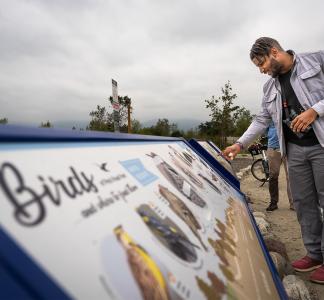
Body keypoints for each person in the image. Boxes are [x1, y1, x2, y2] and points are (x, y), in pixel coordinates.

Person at [223, 37, 324, 283]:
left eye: (262, 63)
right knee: (303, 203)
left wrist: (315, 110)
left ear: (274, 52)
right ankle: (314, 253)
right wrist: (239, 144)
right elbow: (261, 120)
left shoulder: (316, 59)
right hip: (295, 150)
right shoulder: (270, 88)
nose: (261, 70)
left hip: (321, 145)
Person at [265, 121, 294, 211]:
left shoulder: (288, 110)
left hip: (289, 147)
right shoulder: (269, 114)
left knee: (291, 176)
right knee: (273, 175)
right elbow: (264, 129)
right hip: (273, 147)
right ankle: (273, 202)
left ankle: (294, 204)